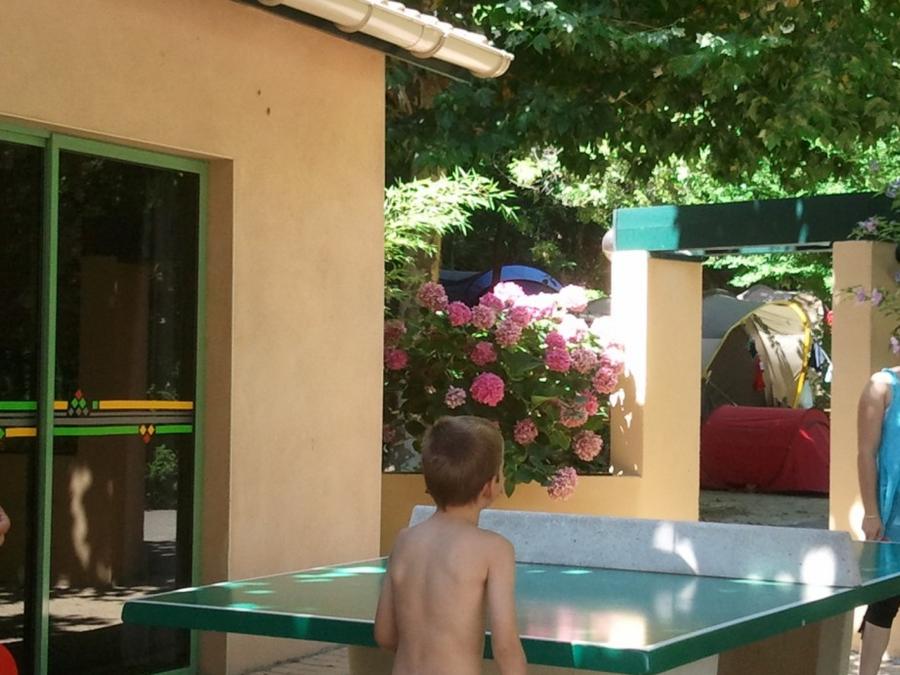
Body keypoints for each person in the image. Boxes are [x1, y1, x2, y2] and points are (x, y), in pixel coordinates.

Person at [374, 415, 527, 675]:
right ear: (490, 486)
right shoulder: (494, 549)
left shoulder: (404, 540)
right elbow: (505, 647)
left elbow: (385, 635)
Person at [857, 366, 900, 675]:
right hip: (892, 516)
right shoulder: (882, 386)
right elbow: (865, 452)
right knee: (885, 601)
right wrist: (871, 512)